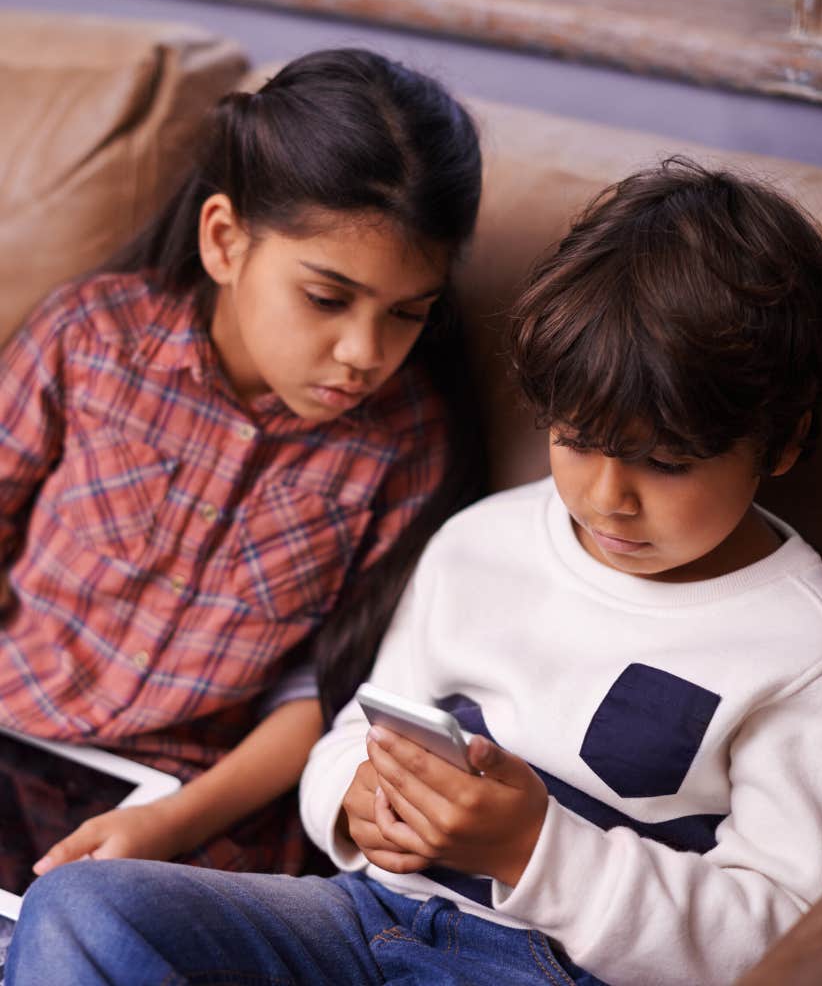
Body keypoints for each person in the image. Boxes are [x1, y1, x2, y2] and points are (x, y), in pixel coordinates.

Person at [8, 157, 822, 986]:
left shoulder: (803, 651)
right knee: (85, 908)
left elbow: (783, 939)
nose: (605, 497)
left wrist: (530, 850)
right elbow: (353, 734)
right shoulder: (481, 543)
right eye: (578, 440)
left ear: (779, 441)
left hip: (561, 970)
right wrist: (358, 800)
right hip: (369, 920)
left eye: (664, 464)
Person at [0, 47, 483, 878]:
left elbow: (324, 693)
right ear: (225, 241)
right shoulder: (92, 339)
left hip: (193, 814)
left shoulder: (404, 446)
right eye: (327, 299)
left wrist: (169, 825)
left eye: (407, 314)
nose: (365, 354)